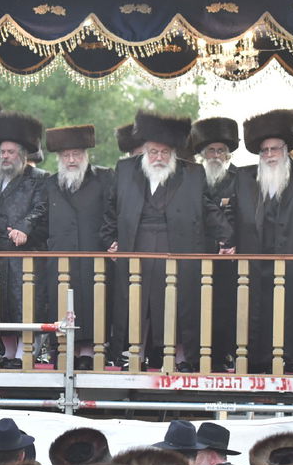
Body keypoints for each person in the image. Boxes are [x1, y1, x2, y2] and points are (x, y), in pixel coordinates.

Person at [103, 110, 231, 370]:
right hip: (136, 247)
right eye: (153, 152)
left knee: (178, 304)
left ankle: (181, 358)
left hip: (178, 248)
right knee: (138, 303)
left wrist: (226, 238)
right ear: (144, 151)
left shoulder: (193, 173)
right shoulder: (126, 169)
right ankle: (134, 356)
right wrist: (109, 239)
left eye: (163, 153)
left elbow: (208, 209)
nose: (158, 158)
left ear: (173, 152)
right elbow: (111, 209)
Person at [231, 109, 293, 373]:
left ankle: (292, 357)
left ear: (287, 150)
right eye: (265, 151)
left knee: (290, 306)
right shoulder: (243, 177)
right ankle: (254, 358)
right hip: (253, 256)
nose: (270, 155)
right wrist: (226, 241)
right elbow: (230, 214)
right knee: (255, 308)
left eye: (275, 149)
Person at [42, 124, 114, 369]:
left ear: (86, 155)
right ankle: (65, 350)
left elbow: (113, 215)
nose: (71, 160)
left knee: (94, 304)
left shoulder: (105, 178)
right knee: (61, 303)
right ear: (59, 158)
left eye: (76, 154)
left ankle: (89, 353)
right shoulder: (49, 184)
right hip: (59, 257)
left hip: (94, 255)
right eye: (66, 155)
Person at [0, 110, 49, 367]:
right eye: (2, 152)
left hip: (26, 254)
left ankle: (24, 353)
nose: (5, 156)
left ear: (22, 154)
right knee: (2, 306)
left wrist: (25, 228)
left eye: (10, 152)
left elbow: (42, 209)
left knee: (26, 305)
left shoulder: (39, 179)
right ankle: (9, 353)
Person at [188, 116, 240, 370]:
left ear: (228, 155)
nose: (216, 155)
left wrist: (229, 239)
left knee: (225, 307)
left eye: (221, 150)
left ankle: (224, 354)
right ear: (202, 154)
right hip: (198, 252)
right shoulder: (192, 178)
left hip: (229, 256)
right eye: (211, 150)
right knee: (196, 306)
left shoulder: (240, 178)